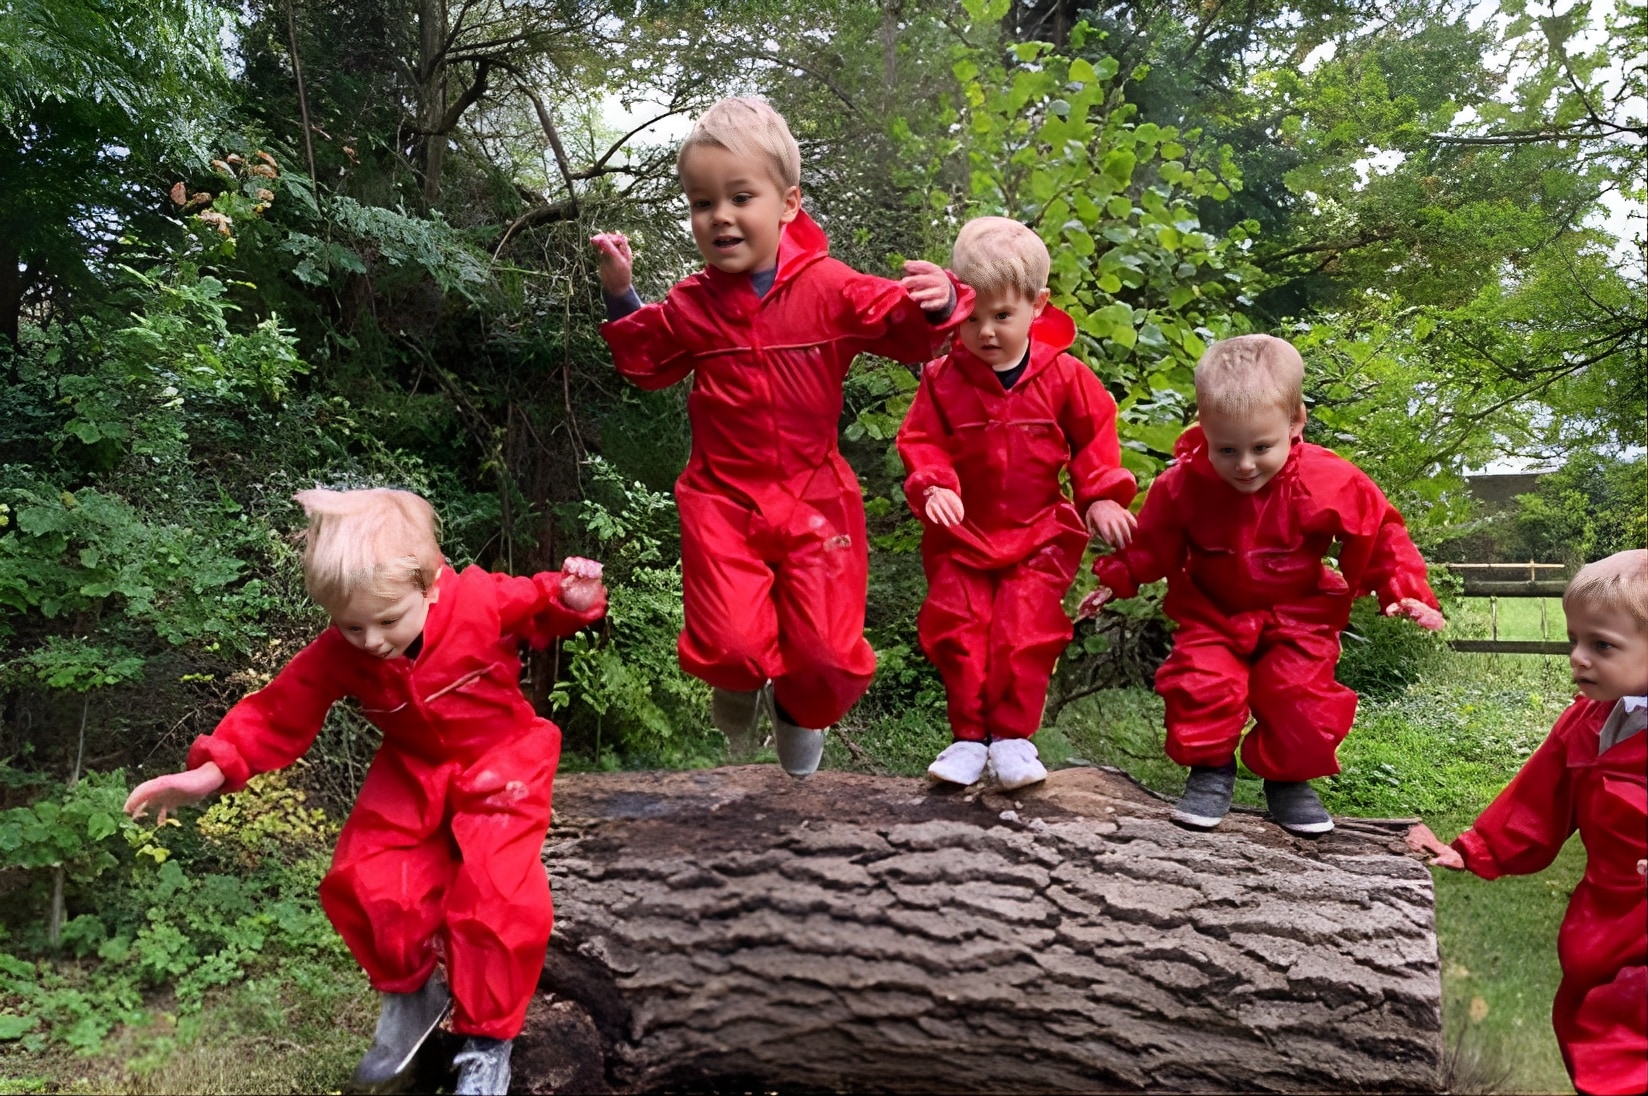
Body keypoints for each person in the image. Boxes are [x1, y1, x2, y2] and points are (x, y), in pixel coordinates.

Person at [123, 488, 607, 1096]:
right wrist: (209, 772)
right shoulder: (342, 651)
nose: (371, 641)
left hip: (501, 756)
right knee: (366, 877)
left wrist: (577, 598)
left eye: (386, 621)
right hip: (412, 768)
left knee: (494, 891)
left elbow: (544, 603)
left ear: (430, 586)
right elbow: (278, 710)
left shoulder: (479, 600)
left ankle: (487, 1042)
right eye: (351, 625)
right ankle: (410, 995)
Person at [589, 97, 971, 777]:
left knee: (827, 652)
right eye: (703, 203)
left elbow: (905, 327)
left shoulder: (827, 287)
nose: (721, 216)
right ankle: (736, 680)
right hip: (722, 498)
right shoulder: (692, 303)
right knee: (733, 642)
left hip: (813, 494)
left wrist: (941, 298)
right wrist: (623, 294)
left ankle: (799, 711)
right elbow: (645, 363)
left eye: (741, 196)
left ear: (788, 204)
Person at [1078, 334, 1443, 834]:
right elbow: (1153, 544)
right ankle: (1210, 770)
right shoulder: (1183, 485)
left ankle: (1289, 782)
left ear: (1295, 423)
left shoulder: (1328, 479)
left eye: (1261, 447)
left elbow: (1379, 531)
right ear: (1203, 427)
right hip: (1213, 609)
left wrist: (1404, 589)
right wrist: (1117, 579)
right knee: (1200, 684)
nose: (1244, 465)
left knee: (1300, 697)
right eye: (1226, 449)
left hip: (1300, 613)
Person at [896, 216, 1136, 789]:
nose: (985, 332)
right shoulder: (942, 378)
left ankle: (1011, 739)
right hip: (963, 533)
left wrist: (1100, 496)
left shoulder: (1067, 378)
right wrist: (935, 483)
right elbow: (921, 439)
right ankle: (967, 739)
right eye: (972, 317)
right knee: (958, 628)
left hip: (1039, 533)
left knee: (1024, 631)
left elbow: (1095, 439)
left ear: (1037, 305)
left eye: (1001, 316)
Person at [1408, 550, 1647, 1096]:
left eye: (1602, 645)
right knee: (1592, 1025)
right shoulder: (1587, 721)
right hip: (1605, 917)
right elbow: (1537, 799)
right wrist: (1474, 850)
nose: (1578, 659)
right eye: (1575, 641)